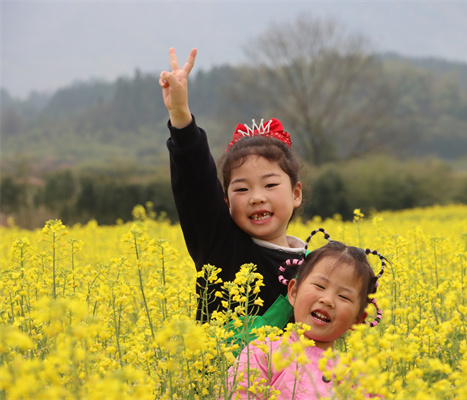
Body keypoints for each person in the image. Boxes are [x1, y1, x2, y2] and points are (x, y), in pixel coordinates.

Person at [159, 48, 305, 322]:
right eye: (241, 189)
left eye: (270, 185)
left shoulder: (316, 268)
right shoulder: (221, 247)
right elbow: (197, 186)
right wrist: (180, 117)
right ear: (225, 201)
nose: (256, 197)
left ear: (296, 193)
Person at [227, 228, 385, 399]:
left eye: (343, 296)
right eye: (320, 286)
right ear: (293, 293)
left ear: (357, 319)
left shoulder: (358, 377)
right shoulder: (262, 353)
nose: (328, 300)